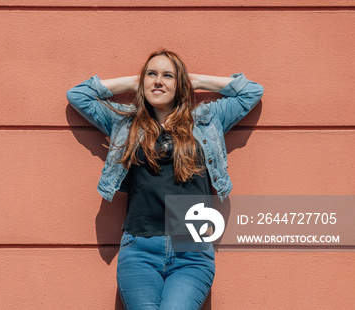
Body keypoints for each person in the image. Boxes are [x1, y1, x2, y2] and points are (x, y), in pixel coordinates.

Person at [66, 50, 264, 309]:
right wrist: (134, 83)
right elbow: (78, 95)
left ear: (180, 84)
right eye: (152, 74)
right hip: (140, 250)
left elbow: (251, 91)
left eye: (168, 76)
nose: (158, 81)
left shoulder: (206, 119)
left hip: (191, 252)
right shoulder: (126, 123)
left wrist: (196, 80)